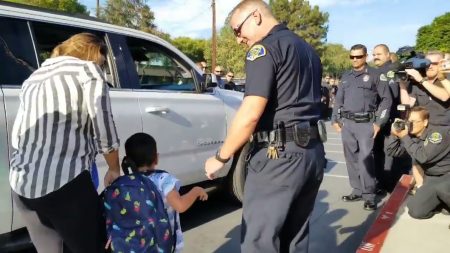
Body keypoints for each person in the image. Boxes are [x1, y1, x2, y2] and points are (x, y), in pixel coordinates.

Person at [204, 1, 325, 252]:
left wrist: (221, 156)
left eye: (238, 30)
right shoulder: (307, 49)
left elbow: (250, 113)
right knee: (295, 238)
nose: (238, 39)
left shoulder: (265, 49)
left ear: (256, 16)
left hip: (279, 157)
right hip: (311, 152)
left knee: (259, 240)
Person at [9, 33, 120, 253]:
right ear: (95, 53)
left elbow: (19, 134)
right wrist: (114, 168)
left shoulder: (34, 78)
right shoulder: (88, 71)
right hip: (64, 185)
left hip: (22, 185)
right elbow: (104, 126)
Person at [121, 132, 208, 253]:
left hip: (135, 244)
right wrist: (196, 190)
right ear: (156, 158)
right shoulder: (163, 179)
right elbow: (180, 205)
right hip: (161, 244)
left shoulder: (125, 183)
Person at [332, 44, 392, 211]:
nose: (355, 60)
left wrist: (379, 123)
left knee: (365, 159)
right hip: (347, 124)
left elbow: (386, 100)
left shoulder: (375, 75)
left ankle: (369, 195)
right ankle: (357, 190)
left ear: (366, 57)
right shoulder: (346, 76)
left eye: (358, 56)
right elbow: (338, 100)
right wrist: (334, 120)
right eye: (352, 57)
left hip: (366, 123)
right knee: (350, 159)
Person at [386, 106, 450, 219]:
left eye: (414, 122)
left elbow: (423, 157)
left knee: (443, 189)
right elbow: (393, 151)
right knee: (416, 211)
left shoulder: (437, 135)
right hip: (431, 179)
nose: (410, 125)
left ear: (425, 122)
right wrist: (394, 135)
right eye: (409, 121)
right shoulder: (412, 137)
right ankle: (440, 203)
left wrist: (405, 137)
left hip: (447, 176)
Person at [399, 50, 450, 188]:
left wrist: (421, 80)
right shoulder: (418, 83)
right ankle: (421, 190)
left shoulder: (445, 79)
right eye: (427, 63)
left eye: (434, 63)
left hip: (441, 130)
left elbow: (445, 96)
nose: (430, 66)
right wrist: (402, 85)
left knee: (438, 166)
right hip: (421, 129)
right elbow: (408, 104)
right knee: (417, 161)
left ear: (441, 64)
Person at [372, 44, 411, 192]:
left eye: (379, 54)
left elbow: (398, 93)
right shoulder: (374, 72)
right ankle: (381, 183)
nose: (376, 56)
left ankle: (389, 184)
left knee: (390, 152)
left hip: (392, 117)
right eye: (374, 54)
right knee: (377, 152)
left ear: (388, 54)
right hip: (377, 118)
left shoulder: (396, 69)